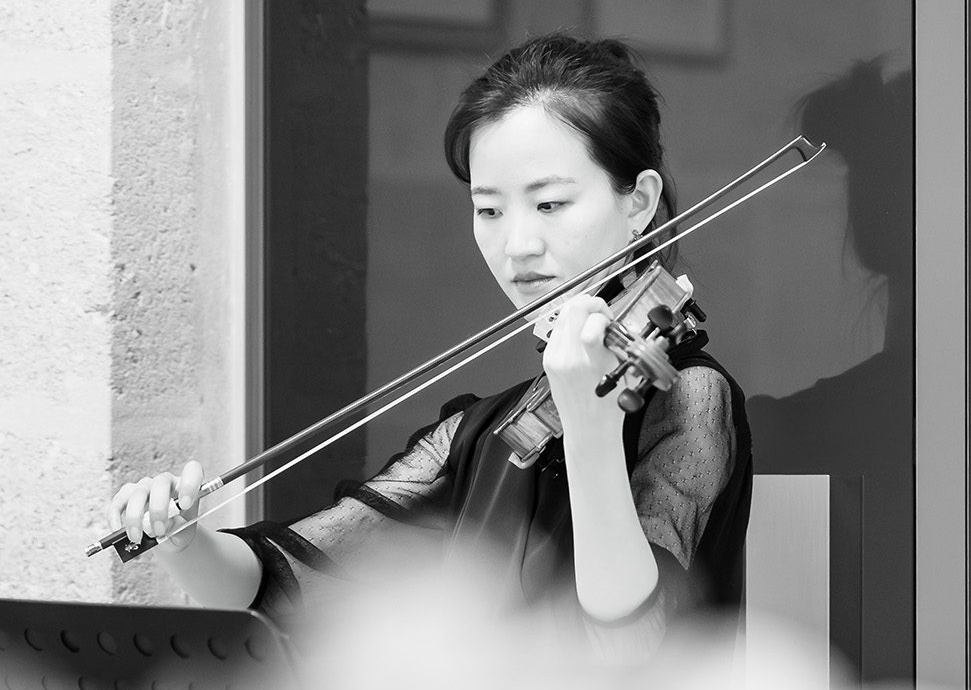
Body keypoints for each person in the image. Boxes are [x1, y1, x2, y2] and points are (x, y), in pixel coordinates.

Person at [110, 34, 753, 656]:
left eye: (551, 204)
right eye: (490, 210)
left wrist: (589, 427)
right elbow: (278, 582)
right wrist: (183, 540)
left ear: (638, 200)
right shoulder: (489, 434)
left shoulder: (691, 400)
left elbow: (630, 644)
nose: (517, 245)